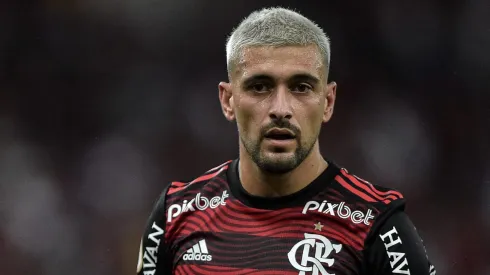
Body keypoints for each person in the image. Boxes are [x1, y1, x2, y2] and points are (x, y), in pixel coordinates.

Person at [136, 7, 436, 275]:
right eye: (259, 86)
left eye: (301, 87)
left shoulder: (377, 227)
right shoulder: (174, 215)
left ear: (328, 102)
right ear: (228, 100)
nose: (280, 109)